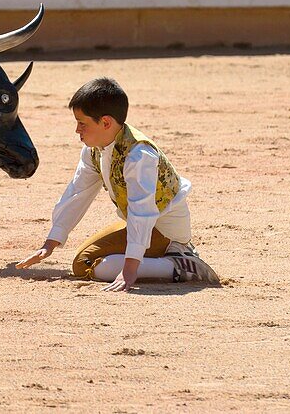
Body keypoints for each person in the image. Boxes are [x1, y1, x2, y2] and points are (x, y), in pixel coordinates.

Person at [15, 77, 219, 291]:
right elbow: (78, 193)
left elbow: (143, 211)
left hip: (165, 232)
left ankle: (181, 264)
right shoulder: (94, 149)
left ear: (105, 123)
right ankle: (170, 259)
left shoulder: (139, 154)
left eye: (82, 123)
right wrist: (50, 243)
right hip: (143, 225)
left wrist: (130, 269)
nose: (77, 130)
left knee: (96, 267)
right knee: (84, 261)